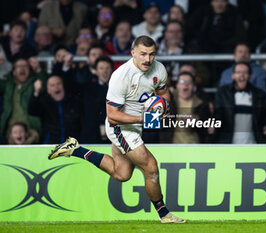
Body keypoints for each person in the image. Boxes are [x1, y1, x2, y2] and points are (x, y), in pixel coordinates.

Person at [47, 35, 185, 223]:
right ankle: (164, 214)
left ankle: (75, 149)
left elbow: (163, 93)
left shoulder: (159, 69)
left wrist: (164, 106)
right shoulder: (120, 76)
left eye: (152, 54)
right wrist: (144, 119)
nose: (147, 59)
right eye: (143, 54)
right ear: (133, 53)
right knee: (151, 168)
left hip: (136, 125)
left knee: (122, 174)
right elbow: (112, 115)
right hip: (119, 127)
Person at [214, 61, 266, 144]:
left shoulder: (259, 94)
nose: (242, 75)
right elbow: (218, 113)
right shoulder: (223, 93)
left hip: (253, 143)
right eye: (238, 72)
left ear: (250, 76)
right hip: (229, 143)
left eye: (245, 72)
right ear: (233, 76)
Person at [28, 75, 83, 144]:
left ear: (63, 86)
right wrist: (36, 92)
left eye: (58, 84)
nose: (56, 87)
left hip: (72, 145)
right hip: (51, 145)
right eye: (52, 85)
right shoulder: (44, 102)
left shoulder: (74, 102)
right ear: (48, 90)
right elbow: (31, 110)